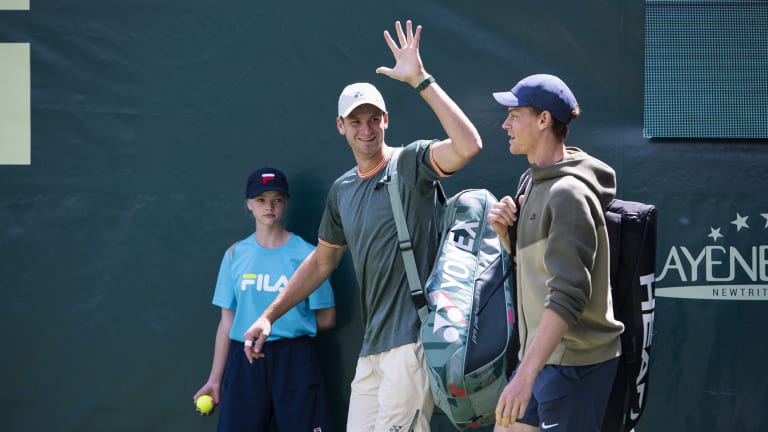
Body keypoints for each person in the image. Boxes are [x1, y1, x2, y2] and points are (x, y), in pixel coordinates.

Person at [242, 20, 482, 432]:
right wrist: (270, 315)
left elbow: (469, 146)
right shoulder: (342, 190)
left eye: (373, 119)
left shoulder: (411, 163)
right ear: (341, 127)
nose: (366, 129)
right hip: (372, 351)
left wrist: (421, 80)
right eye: (356, 121)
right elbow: (322, 262)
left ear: (386, 120)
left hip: (413, 343)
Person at [487, 74, 624, 432]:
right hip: (540, 358)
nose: (505, 124)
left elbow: (567, 296)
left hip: (574, 365)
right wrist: (507, 237)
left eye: (514, 115)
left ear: (544, 120)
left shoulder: (568, 194)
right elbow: (534, 271)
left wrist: (524, 376)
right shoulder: (530, 181)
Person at [193, 167, 336, 432]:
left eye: (277, 199)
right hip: (244, 361)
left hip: (295, 359)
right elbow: (227, 323)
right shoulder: (235, 255)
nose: (269, 206)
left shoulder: (308, 255)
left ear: (286, 203)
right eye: (260, 200)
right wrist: (215, 379)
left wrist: (284, 325)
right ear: (248, 204)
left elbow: (327, 318)